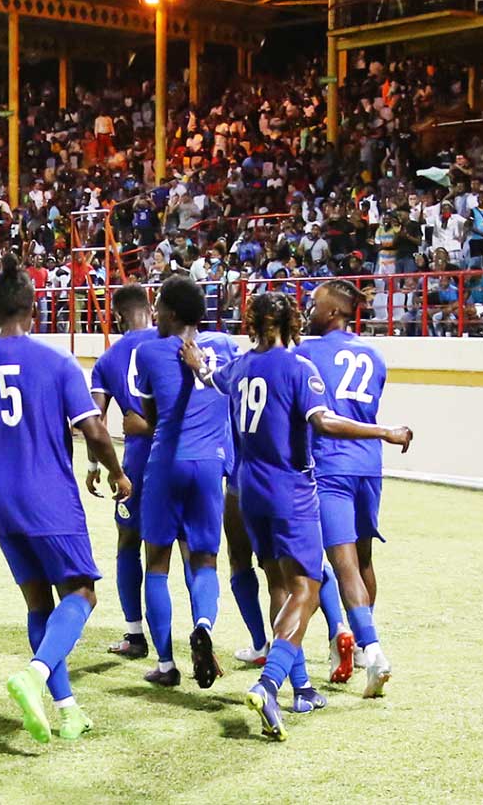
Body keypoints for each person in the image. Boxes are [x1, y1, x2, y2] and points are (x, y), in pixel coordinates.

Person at [180, 291, 411, 740]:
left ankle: (302, 687)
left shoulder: (243, 366)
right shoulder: (298, 367)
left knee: (278, 585)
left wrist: (195, 361)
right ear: (290, 321)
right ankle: (270, 684)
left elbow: (212, 377)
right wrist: (385, 431)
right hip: (292, 492)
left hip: (249, 493)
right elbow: (323, 421)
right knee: (307, 585)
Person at [0, 255, 130, 745]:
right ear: (34, 310)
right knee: (82, 593)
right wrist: (116, 472)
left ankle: (67, 711)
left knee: (37, 603)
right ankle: (36, 672)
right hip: (48, 495)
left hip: (0, 496)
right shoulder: (57, 363)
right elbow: (93, 429)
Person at [294, 279, 409, 697]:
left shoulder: (306, 353)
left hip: (330, 467)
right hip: (368, 468)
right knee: (363, 560)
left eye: (314, 304)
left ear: (333, 313)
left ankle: (370, 648)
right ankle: (360, 645)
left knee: (336, 564)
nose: (308, 310)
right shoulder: (375, 357)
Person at [134, 276, 239, 689]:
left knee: (156, 563)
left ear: (172, 313)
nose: (155, 312)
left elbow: (150, 410)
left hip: (167, 461)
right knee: (205, 560)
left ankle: (165, 664)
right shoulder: (227, 346)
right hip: (210, 465)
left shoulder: (148, 351)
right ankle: (203, 624)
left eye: (158, 305)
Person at [86, 284, 160, 658]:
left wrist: (94, 464)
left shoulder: (108, 360)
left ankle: (135, 635)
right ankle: (200, 630)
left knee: (128, 544)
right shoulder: (172, 345)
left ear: (117, 318)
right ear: (152, 310)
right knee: (186, 551)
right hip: (180, 457)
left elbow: (94, 420)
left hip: (136, 464)